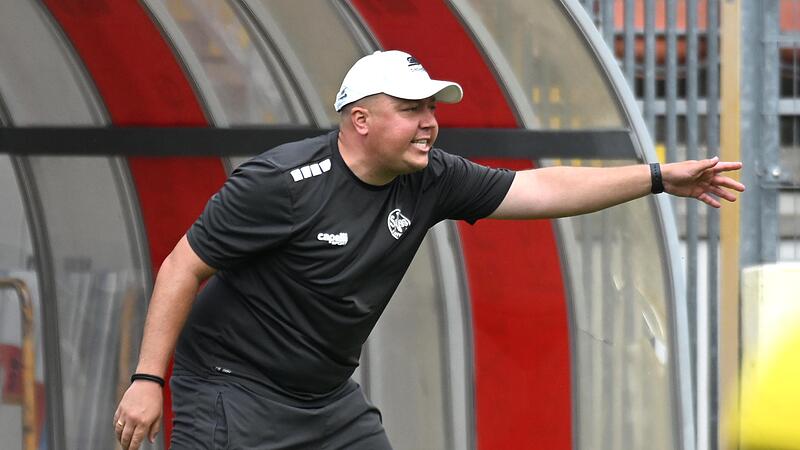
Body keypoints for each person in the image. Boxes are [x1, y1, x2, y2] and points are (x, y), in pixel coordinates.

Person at [113, 50, 745, 450]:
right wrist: (147, 380)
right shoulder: (281, 183)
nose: (430, 122)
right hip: (232, 391)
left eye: (432, 108)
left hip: (326, 401)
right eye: (411, 109)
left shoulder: (431, 178)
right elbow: (182, 266)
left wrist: (657, 178)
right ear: (360, 121)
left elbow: (539, 187)